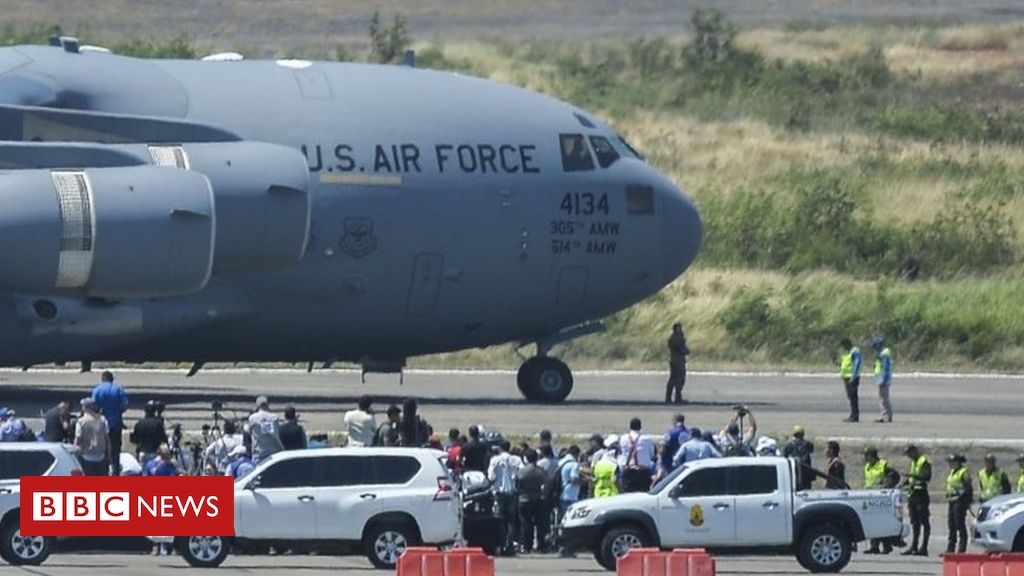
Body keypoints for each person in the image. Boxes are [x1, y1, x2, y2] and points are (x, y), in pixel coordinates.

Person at [863, 446, 900, 554]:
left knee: (881, 522)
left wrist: (887, 486)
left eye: (866, 455)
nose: (865, 458)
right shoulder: (867, 466)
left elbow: (895, 476)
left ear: (871, 456)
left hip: (881, 498)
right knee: (872, 522)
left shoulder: (882, 465)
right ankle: (874, 546)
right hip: (871, 497)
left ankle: (886, 546)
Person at [488, 440, 522, 556]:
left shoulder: (495, 460)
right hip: (512, 492)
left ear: (500, 448)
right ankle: (510, 544)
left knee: (500, 519)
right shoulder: (516, 459)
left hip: (499, 493)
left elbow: (491, 476)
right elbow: (521, 472)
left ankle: (501, 543)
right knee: (511, 520)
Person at [91, 371, 128, 475]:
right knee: (116, 448)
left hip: (101, 424)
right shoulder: (118, 389)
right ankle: (115, 472)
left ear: (102, 379)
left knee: (102, 448)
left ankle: (103, 472)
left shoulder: (97, 390)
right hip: (116, 423)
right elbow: (124, 405)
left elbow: (94, 406)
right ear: (112, 379)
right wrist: (117, 412)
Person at [900, 444, 931, 557]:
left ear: (914, 451)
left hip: (921, 495)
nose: (909, 456)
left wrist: (912, 475)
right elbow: (912, 478)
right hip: (913, 494)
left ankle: (924, 547)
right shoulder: (914, 462)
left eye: (910, 453)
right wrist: (904, 483)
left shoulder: (924, 461)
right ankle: (914, 546)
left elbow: (926, 476)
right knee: (915, 522)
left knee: (924, 522)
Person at [517, 449, 549, 554]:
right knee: (540, 524)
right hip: (538, 498)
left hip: (524, 499)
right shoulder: (541, 471)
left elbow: (518, 485)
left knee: (526, 524)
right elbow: (546, 484)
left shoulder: (522, 471)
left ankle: (527, 546)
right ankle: (541, 546)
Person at [554, 445, 582, 558]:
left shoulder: (561, 462)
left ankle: (560, 546)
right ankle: (567, 549)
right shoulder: (574, 464)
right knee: (571, 525)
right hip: (571, 495)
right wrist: (583, 481)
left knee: (562, 523)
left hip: (561, 494)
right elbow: (574, 479)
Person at [618, 417, 656, 493]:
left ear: (630, 427)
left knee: (627, 494)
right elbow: (651, 454)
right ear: (640, 427)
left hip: (628, 472)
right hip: (643, 472)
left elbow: (621, 452)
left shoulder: (623, 438)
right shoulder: (646, 439)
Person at [75, 398, 110, 476]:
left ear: (85, 408)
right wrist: (109, 456)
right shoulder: (103, 420)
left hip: (86, 456)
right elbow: (107, 439)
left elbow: (78, 439)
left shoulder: (81, 421)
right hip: (100, 456)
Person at [945, 454, 972, 553]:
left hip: (960, 501)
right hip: (952, 500)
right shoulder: (952, 472)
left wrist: (966, 501)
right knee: (951, 525)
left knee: (960, 524)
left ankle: (962, 548)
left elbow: (968, 488)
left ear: (958, 462)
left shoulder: (963, 472)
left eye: (952, 462)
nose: (950, 464)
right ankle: (950, 548)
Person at [131, 401, 168, 466]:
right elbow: (164, 438)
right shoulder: (158, 424)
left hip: (142, 452)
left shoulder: (140, 423)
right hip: (155, 452)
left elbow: (134, 440)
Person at [247, 396, 283, 463]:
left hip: (259, 451)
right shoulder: (274, 417)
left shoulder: (252, 418)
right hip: (273, 450)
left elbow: (249, 431)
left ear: (257, 405)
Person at [783, 425, 815, 490]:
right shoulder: (808, 444)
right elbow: (813, 457)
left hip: (794, 472)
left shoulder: (789, 445)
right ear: (803, 434)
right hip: (806, 473)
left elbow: (785, 458)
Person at [666, 323, 690, 404]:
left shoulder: (676, 338)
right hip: (677, 361)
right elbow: (682, 349)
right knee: (678, 379)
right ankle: (676, 398)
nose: (679, 330)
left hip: (677, 360)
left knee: (675, 379)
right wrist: (686, 350)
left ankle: (672, 397)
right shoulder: (675, 339)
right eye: (678, 328)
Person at [839, 338, 862, 422]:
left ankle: (855, 416)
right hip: (846, 377)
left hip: (852, 377)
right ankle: (853, 414)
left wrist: (854, 376)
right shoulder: (847, 353)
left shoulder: (855, 351)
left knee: (853, 397)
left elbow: (856, 363)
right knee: (850, 397)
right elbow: (844, 364)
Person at [871, 337, 893, 423]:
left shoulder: (884, 354)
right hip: (882, 378)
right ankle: (887, 415)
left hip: (883, 379)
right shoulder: (883, 354)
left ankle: (886, 416)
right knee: (883, 398)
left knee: (883, 399)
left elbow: (885, 368)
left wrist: (883, 379)